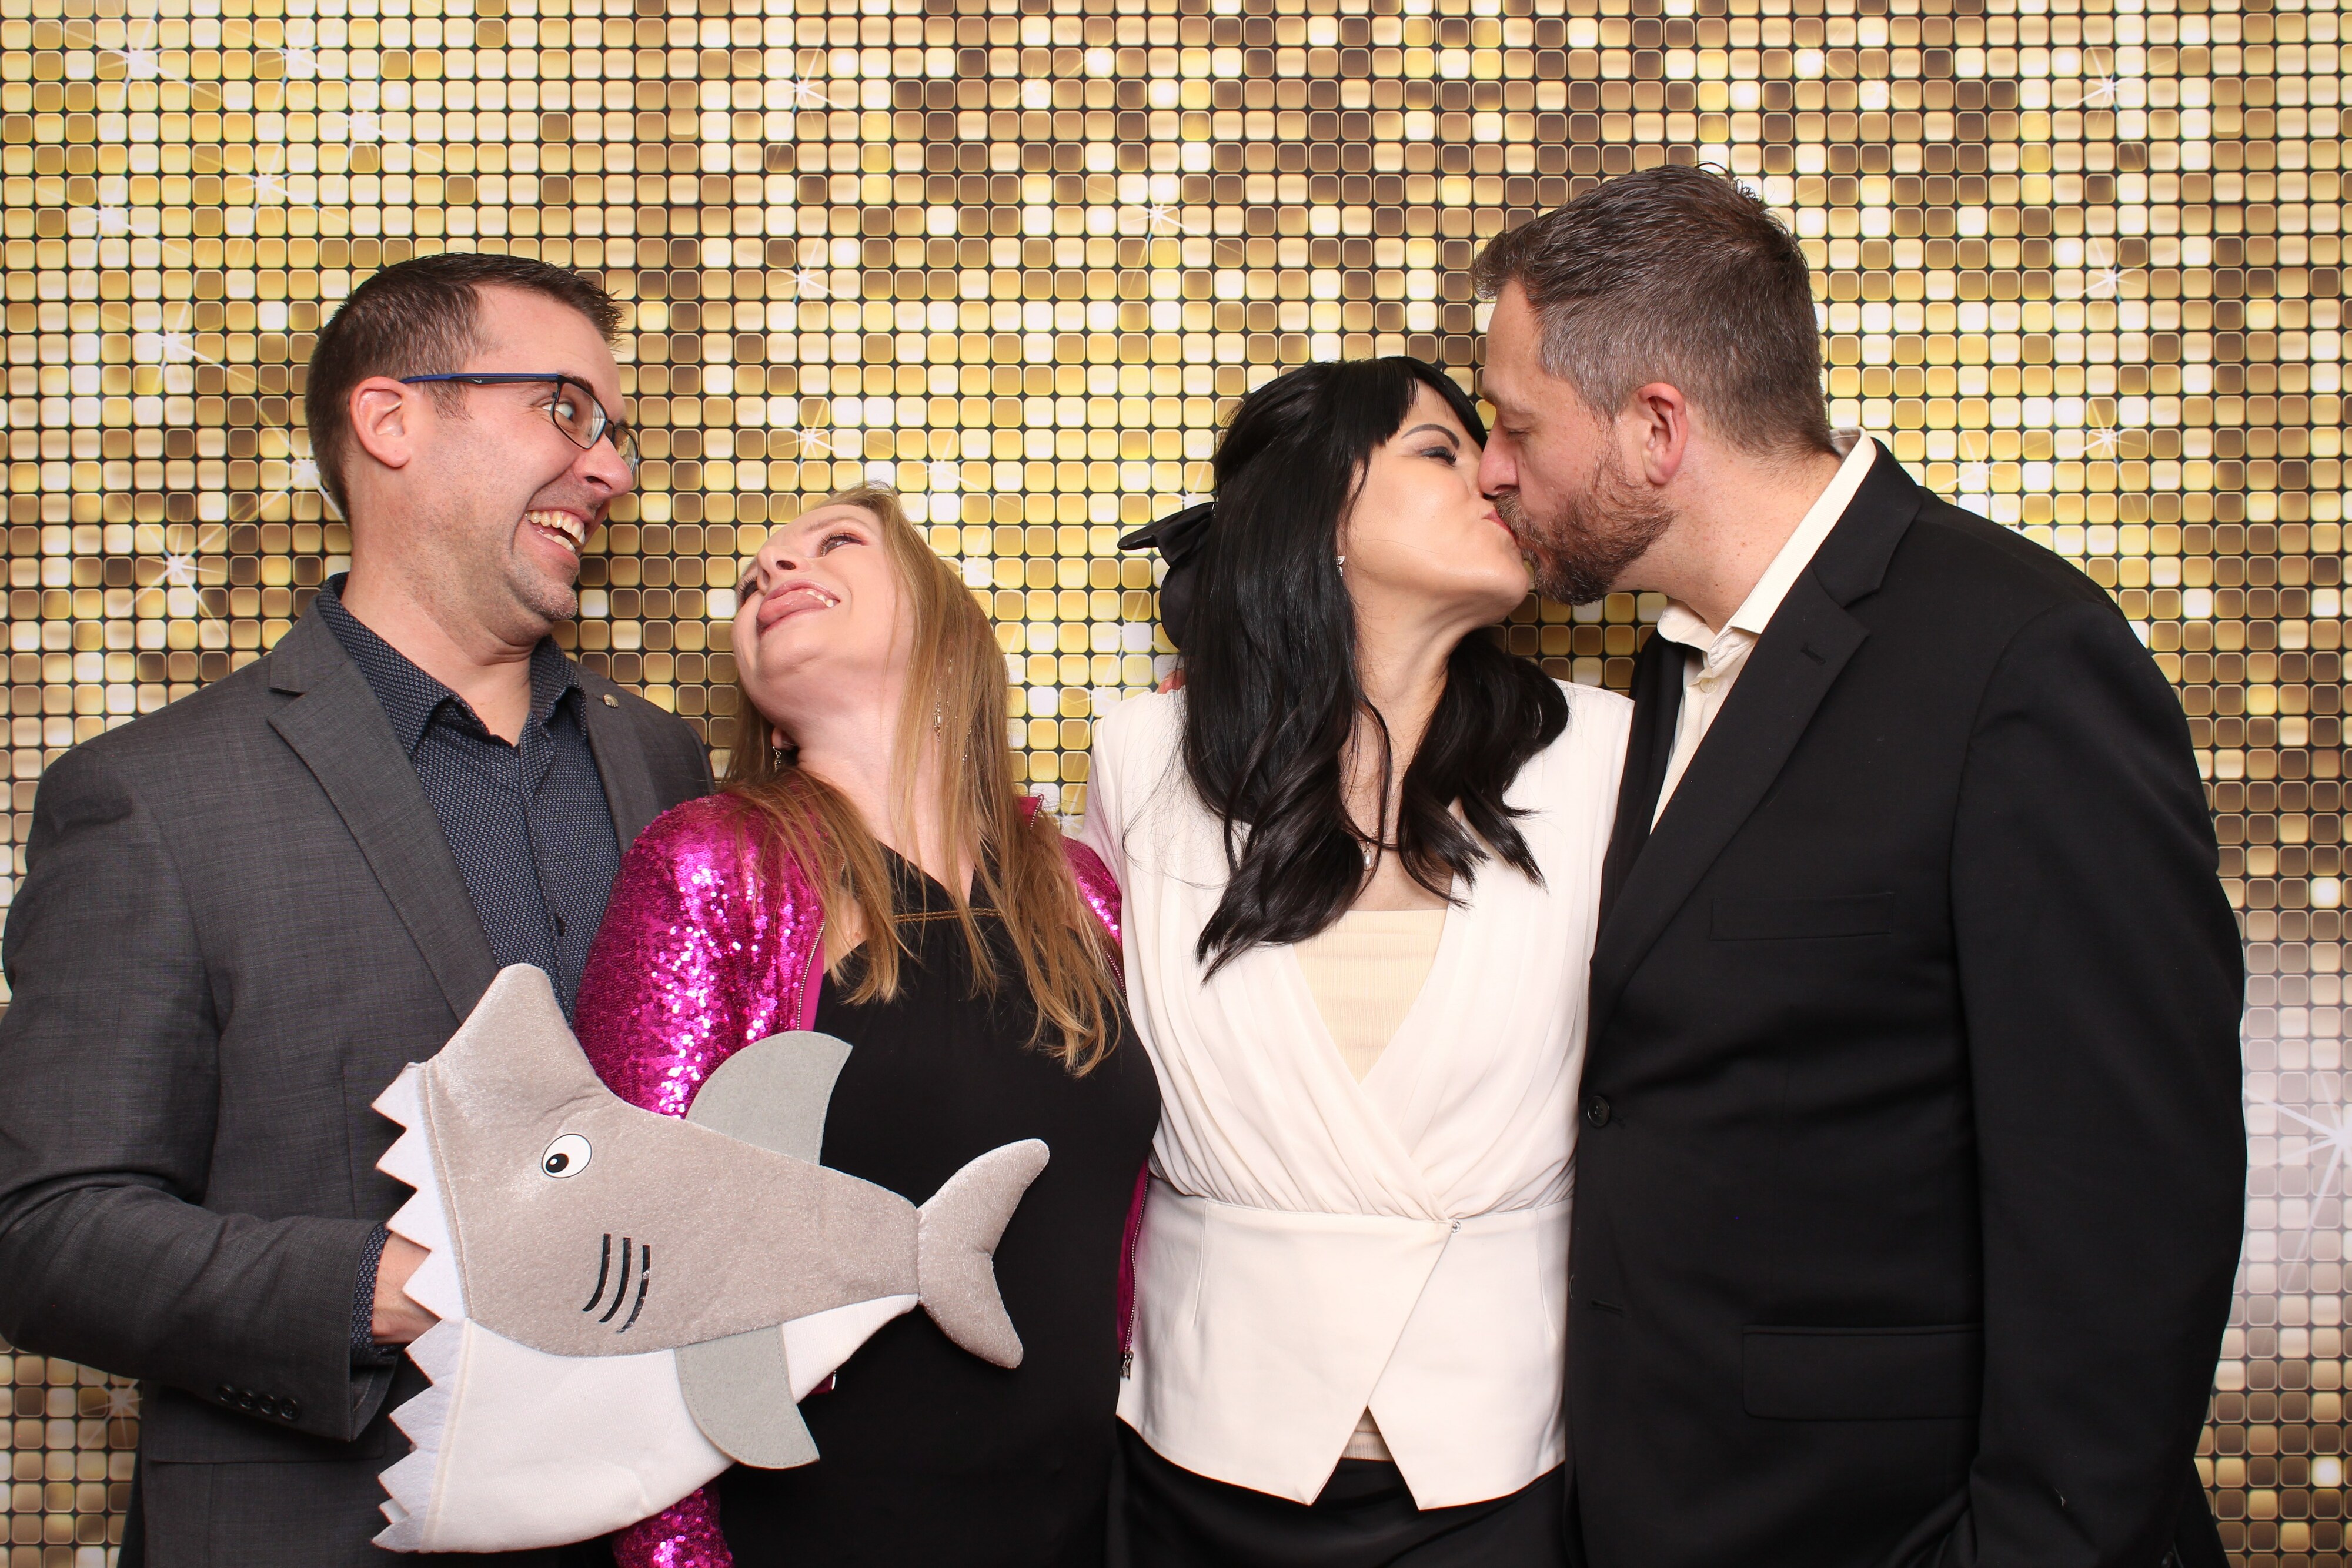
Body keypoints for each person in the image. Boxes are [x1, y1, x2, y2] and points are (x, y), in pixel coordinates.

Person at [1472, 165, 2246, 1568]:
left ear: (1657, 427)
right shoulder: (1665, 673)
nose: (1490, 468)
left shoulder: (2018, 657)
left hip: (1899, 1528)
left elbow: (2127, 1205)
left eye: (1517, 425)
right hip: (1676, 1509)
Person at [0, 252, 710, 1566]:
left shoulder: (664, 763)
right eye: (567, 411)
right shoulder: (153, 796)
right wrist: (410, 1287)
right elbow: (48, 1229)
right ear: (390, 419)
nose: (610, 471)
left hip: (655, 1525)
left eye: (616, 432)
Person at [1084, 357, 1629, 1567]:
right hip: (1202, 1445)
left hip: (1499, 1456)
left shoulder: (1607, 755)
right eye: (1441, 450)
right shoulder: (1145, 756)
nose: (1496, 476)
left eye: (1492, 448)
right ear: (1316, 509)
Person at [572, 484, 1158, 1568]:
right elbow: (634, 1262)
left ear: (947, 623)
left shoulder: (1082, 890)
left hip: (1076, 1521)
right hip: (815, 1527)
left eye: (835, 543)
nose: (774, 573)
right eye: (753, 580)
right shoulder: (708, 867)